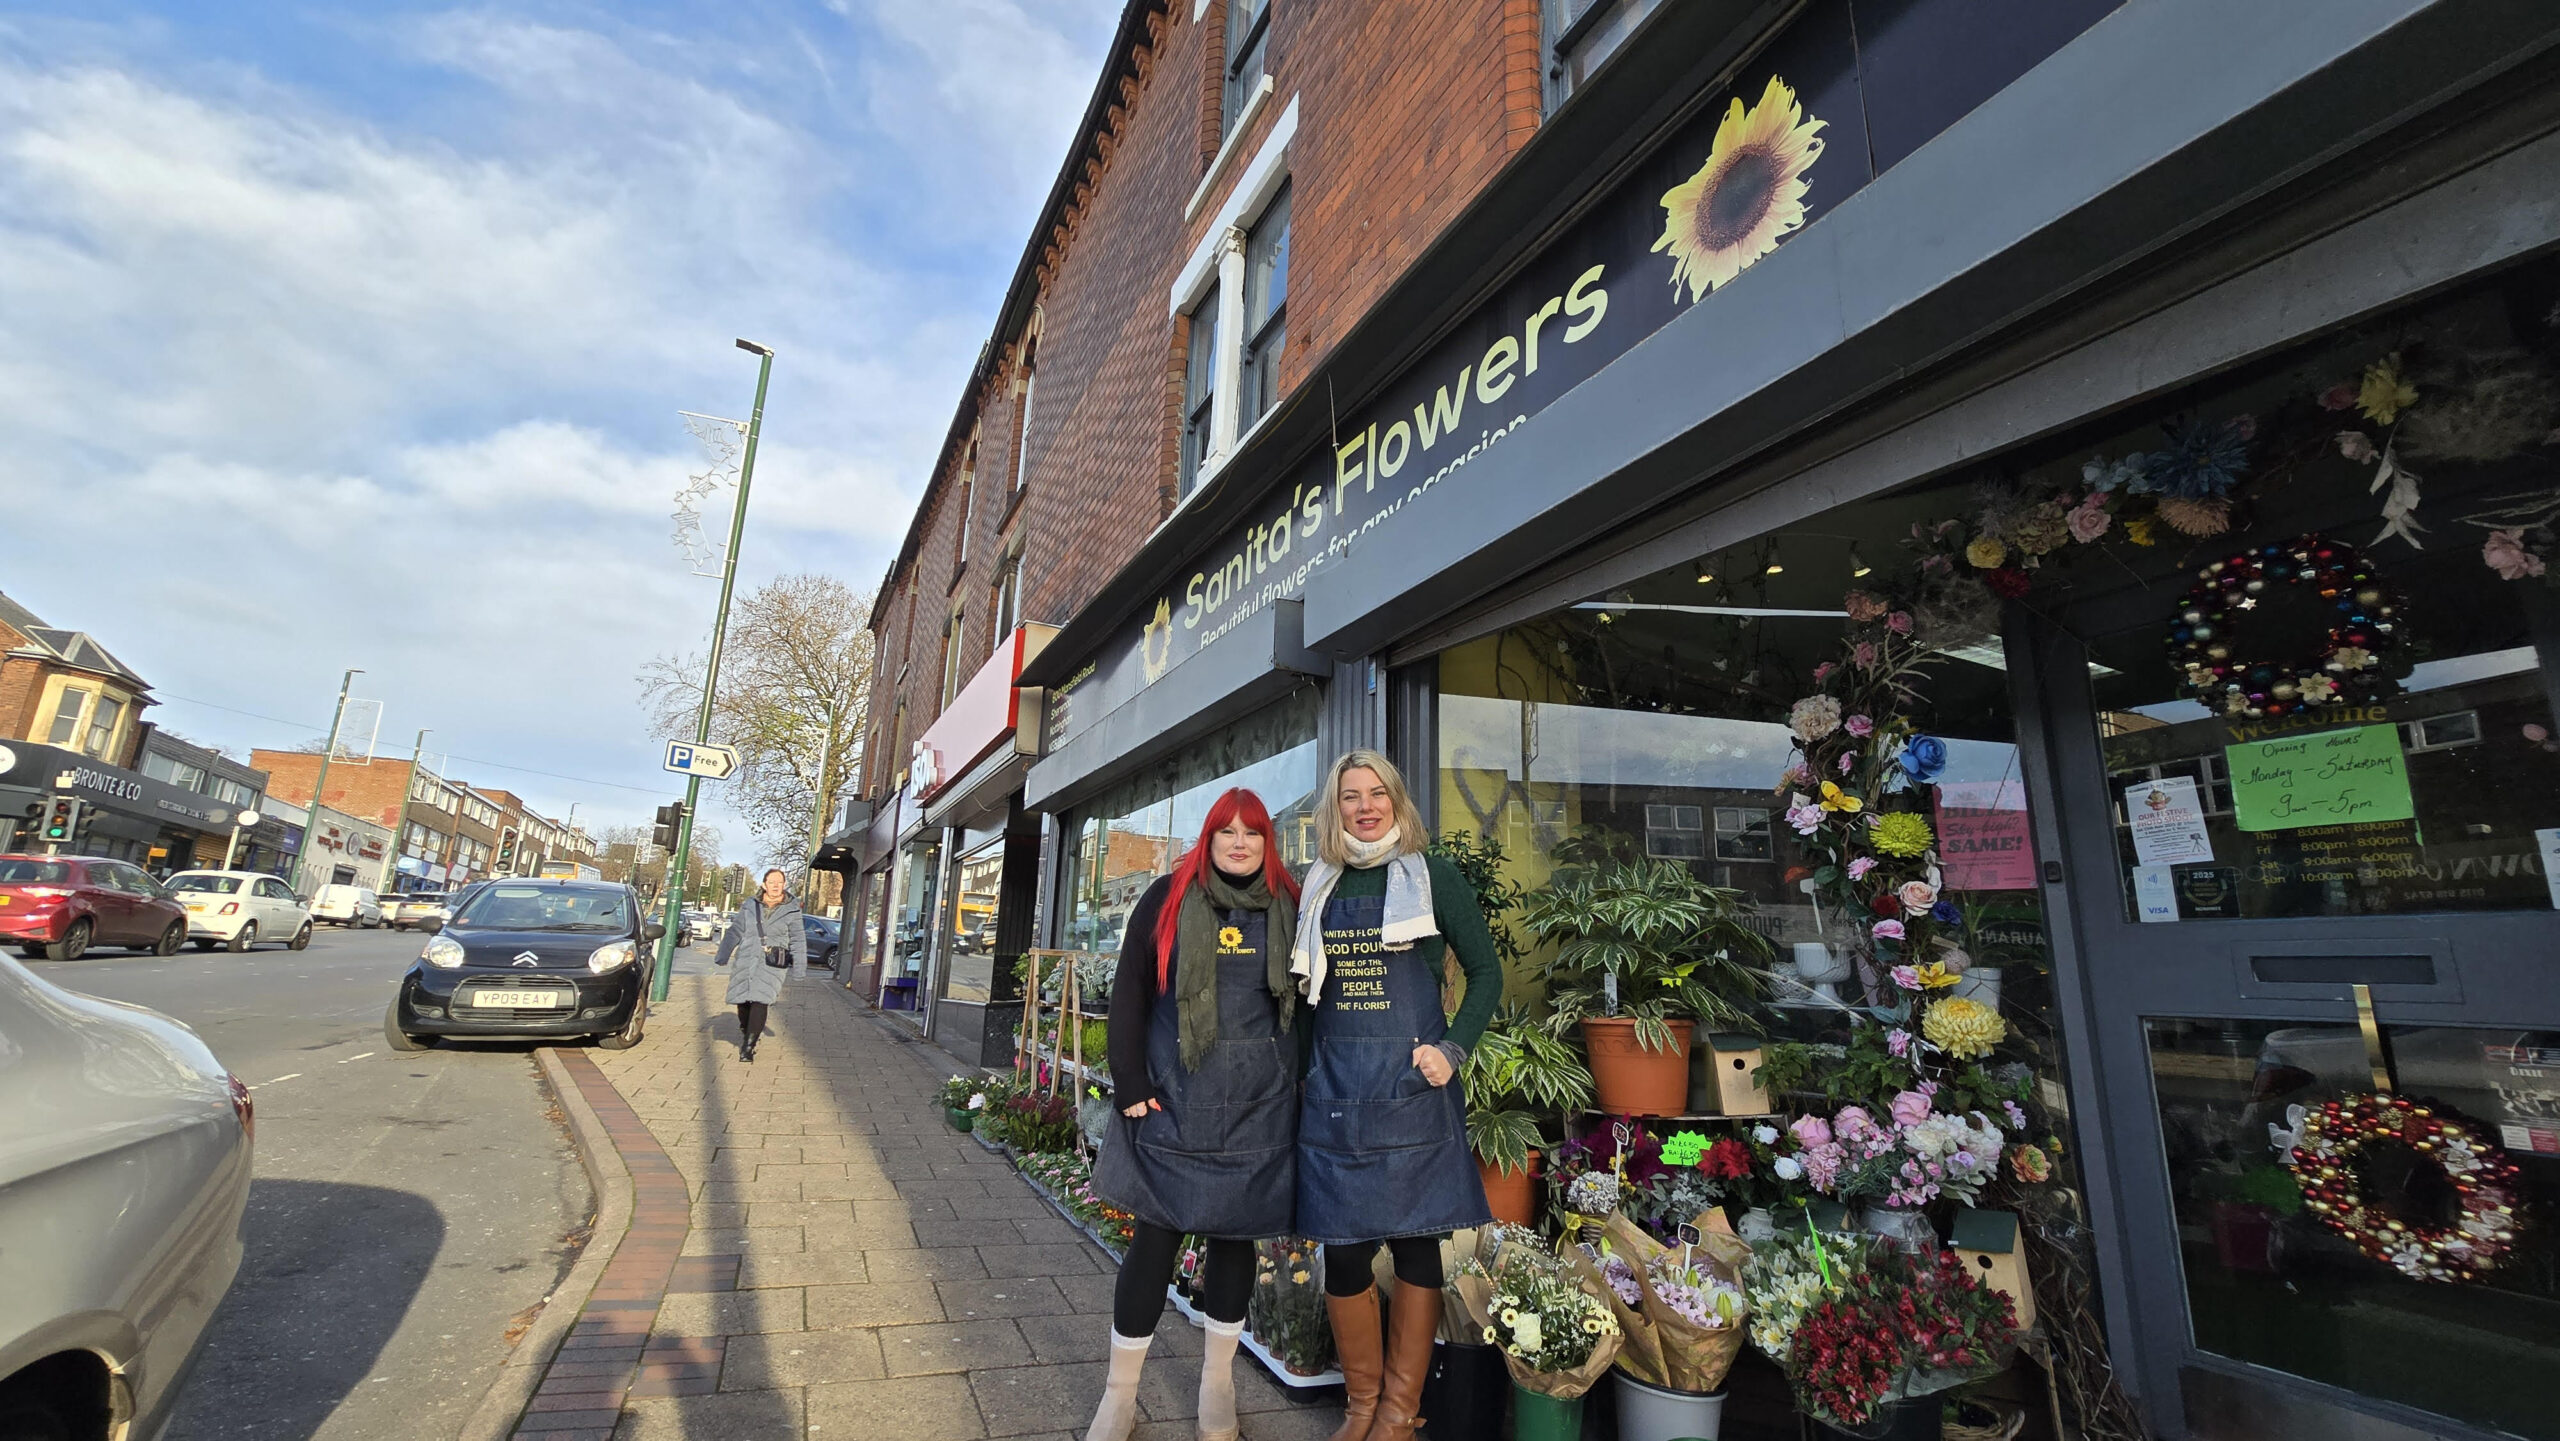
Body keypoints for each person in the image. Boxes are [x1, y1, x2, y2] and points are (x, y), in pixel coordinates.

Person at [1290, 750, 1501, 1441]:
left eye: (1376, 793)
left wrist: (1451, 1048)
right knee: (1345, 1252)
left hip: (1413, 1087)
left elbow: (1486, 974)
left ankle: (1400, 1414)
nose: (1364, 805)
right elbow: (1303, 1004)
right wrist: (1298, 1084)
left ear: (1398, 801)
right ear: (1336, 808)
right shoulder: (1316, 884)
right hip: (1337, 1092)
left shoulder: (1433, 875)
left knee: (1416, 1249)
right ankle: (1361, 1405)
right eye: (1351, 795)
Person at [1083, 789, 1303, 1441]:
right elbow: (1129, 991)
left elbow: (1306, 1009)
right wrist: (1128, 1080)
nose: (1240, 842)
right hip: (1175, 1102)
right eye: (1226, 831)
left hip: (1258, 1108)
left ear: (1269, 842)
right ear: (1207, 839)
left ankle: (1217, 1387)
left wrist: (1305, 1092)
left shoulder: (1291, 906)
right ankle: (1118, 1398)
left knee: (1235, 1243)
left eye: (1253, 832)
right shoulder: (1167, 899)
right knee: (1154, 1243)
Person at [712, 868, 807, 1062]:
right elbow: (735, 931)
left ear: (784, 885)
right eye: (772, 882)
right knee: (743, 1001)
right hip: (747, 957)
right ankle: (747, 1028)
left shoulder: (793, 908)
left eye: (779, 882)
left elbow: (798, 938)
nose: (775, 886)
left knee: (760, 1000)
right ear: (764, 884)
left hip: (772, 961)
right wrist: (723, 954)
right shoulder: (750, 905)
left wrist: (799, 967)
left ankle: (748, 1047)